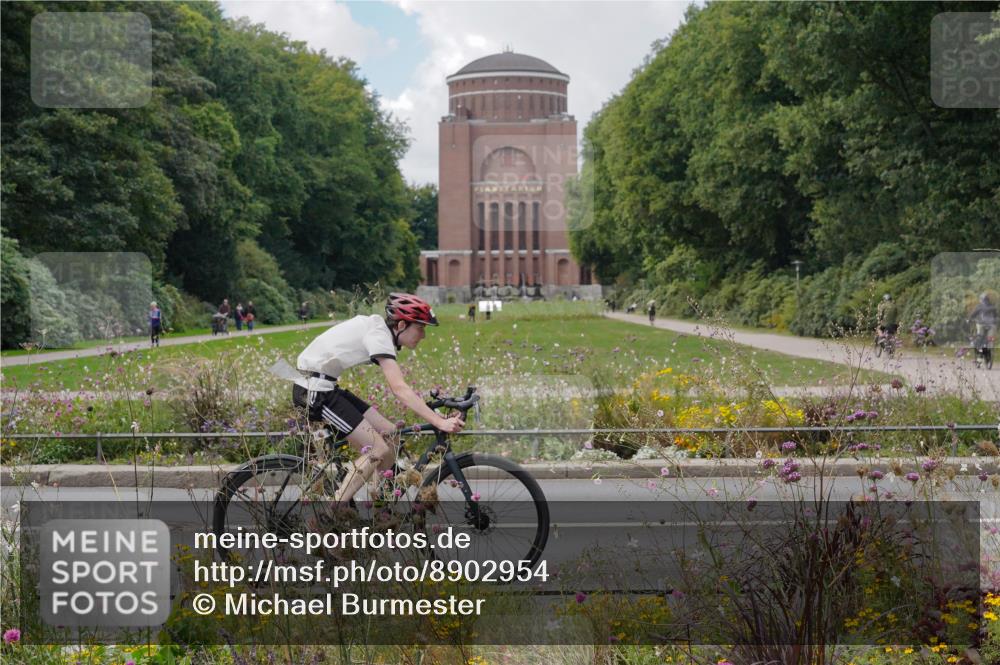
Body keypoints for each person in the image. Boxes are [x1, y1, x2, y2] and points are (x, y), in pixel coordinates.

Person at [293, 293, 464, 505]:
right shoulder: (378, 335)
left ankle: (380, 504)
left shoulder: (379, 331)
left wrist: (436, 413)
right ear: (401, 325)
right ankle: (333, 509)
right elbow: (399, 388)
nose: (423, 335)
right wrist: (439, 422)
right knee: (377, 449)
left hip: (325, 386)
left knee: (392, 434)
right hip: (314, 391)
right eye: (420, 328)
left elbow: (403, 389)